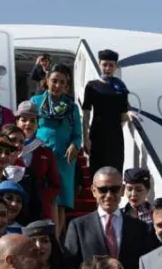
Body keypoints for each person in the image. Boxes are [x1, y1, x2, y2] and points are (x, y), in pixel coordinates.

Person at [63, 167, 157, 269]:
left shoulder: (141, 228)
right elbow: (70, 267)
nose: (109, 195)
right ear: (93, 191)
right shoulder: (78, 227)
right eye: (103, 189)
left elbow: (147, 268)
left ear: (122, 190)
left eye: (114, 189)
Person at [30, 64, 82, 239]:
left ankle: (58, 242)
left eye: (62, 82)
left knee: (60, 204)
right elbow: (28, 126)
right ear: (47, 81)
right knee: (45, 199)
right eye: (54, 81)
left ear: (67, 85)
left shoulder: (72, 107)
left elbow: (78, 134)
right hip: (42, 156)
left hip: (64, 159)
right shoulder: (36, 101)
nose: (57, 85)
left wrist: (75, 145)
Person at [81, 49, 132, 174]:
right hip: (97, 134)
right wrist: (85, 138)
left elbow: (122, 114)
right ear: (99, 64)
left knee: (115, 170)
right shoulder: (92, 86)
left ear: (115, 66)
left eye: (111, 65)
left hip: (115, 136)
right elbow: (86, 113)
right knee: (96, 171)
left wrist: (129, 115)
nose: (107, 68)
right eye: (104, 65)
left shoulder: (120, 87)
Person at [13, 102, 62, 225]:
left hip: (38, 207)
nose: (28, 124)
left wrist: (44, 196)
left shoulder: (45, 151)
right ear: (17, 121)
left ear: (37, 124)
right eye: (23, 120)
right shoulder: (6, 149)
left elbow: (55, 184)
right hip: (13, 206)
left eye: (32, 120)